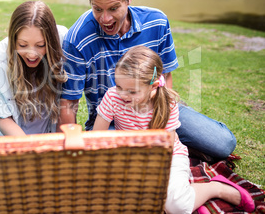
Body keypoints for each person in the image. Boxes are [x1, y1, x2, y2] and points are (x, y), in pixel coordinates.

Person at [59, 0, 236, 160]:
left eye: (113, 8)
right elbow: (69, 102)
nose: (105, 19)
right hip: (111, 122)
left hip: (157, 111)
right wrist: (70, 146)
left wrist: (159, 121)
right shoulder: (77, 39)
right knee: (111, 162)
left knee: (223, 144)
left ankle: (176, 143)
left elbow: (166, 77)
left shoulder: (157, 22)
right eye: (97, 8)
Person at [93, 46, 255, 214]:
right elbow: (97, 137)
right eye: (118, 86)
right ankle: (189, 197)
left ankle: (215, 188)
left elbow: (165, 149)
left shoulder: (166, 103)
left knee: (178, 208)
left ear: (153, 86)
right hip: (131, 156)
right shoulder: (113, 97)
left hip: (166, 157)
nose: (123, 95)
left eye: (132, 91)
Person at [0, 0, 68, 136]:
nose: (32, 54)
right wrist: (30, 148)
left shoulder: (63, 40)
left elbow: (67, 101)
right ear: (13, 39)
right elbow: (4, 118)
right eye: (22, 45)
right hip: (6, 138)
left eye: (40, 45)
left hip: (44, 137)